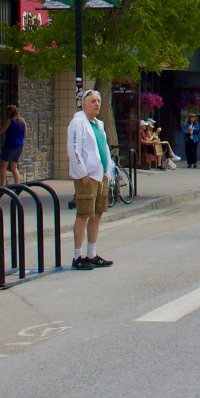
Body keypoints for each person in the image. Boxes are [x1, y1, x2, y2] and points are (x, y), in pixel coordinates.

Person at [66, 91, 116, 269]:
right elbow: (74, 150)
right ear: (84, 104)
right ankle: (77, 257)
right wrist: (83, 173)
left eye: (99, 101)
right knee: (83, 214)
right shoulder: (78, 123)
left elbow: (103, 149)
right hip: (87, 177)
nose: (97, 104)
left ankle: (92, 254)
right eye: (93, 101)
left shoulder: (98, 124)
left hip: (101, 175)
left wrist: (108, 172)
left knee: (97, 214)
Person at [0, 104, 25, 186]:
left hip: (10, 145)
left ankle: (2, 186)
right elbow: (25, 135)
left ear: (10, 112)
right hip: (19, 146)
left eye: (7, 112)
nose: (6, 114)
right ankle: (17, 185)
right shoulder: (22, 121)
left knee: (4, 166)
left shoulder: (9, 121)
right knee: (14, 167)